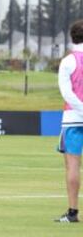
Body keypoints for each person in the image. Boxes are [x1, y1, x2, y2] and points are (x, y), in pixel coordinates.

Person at [56, 20, 83, 223]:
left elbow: (67, 93)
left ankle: (73, 212)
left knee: (72, 165)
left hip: (73, 119)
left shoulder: (67, 61)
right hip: (74, 118)